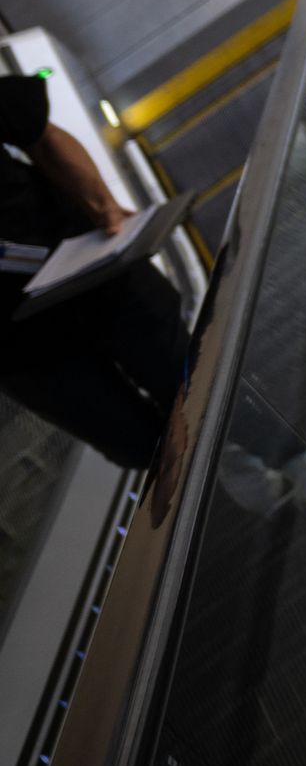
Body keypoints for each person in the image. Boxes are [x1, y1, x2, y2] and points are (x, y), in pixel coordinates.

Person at [0, 73, 195, 472]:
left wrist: (102, 203)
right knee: (139, 446)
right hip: (20, 345)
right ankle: (236, 502)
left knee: (194, 384)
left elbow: (41, 135)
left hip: (91, 267)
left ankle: (295, 464)